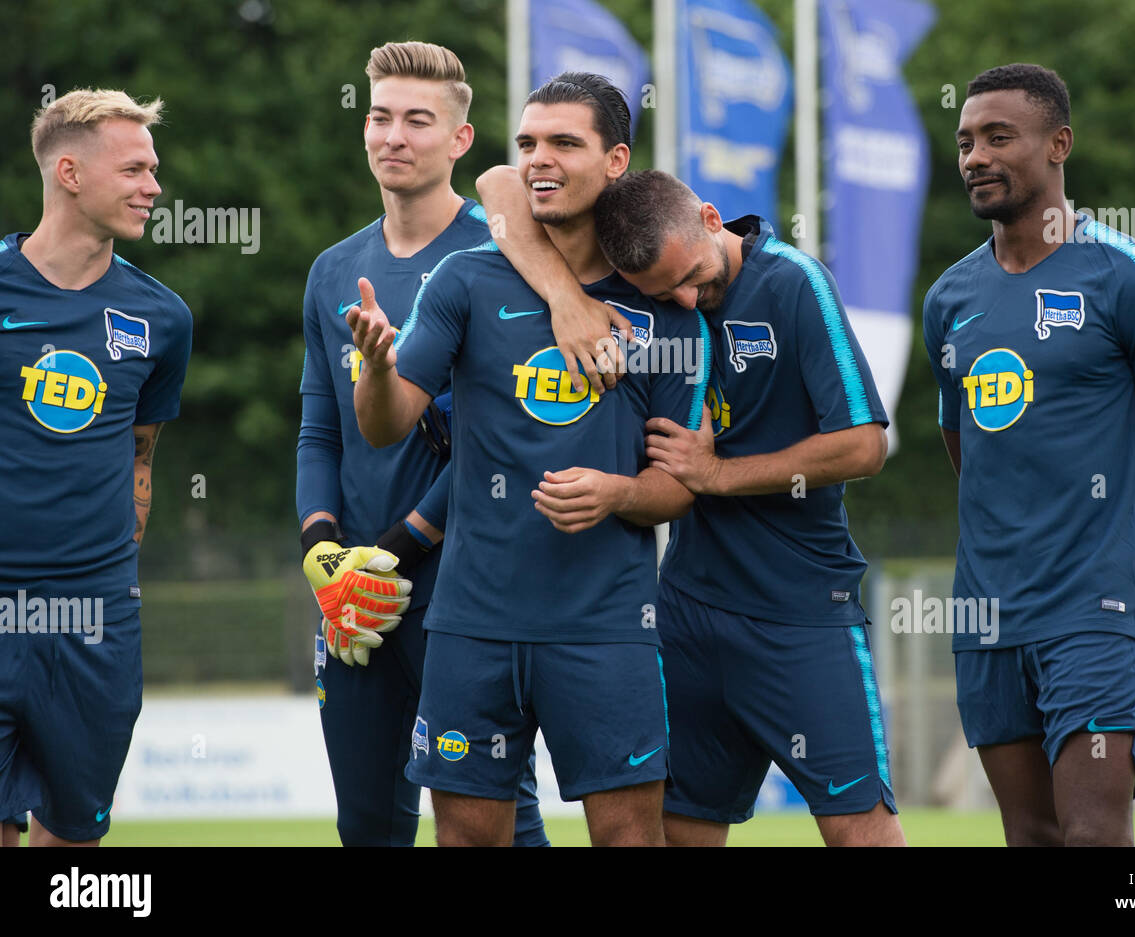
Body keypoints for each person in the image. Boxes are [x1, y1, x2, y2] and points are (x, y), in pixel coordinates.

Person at [349, 73, 708, 847]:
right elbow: (386, 426)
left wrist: (616, 493)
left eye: (564, 143)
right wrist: (378, 368)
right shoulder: (466, 280)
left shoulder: (658, 305)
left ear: (615, 161)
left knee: (630, 841)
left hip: (608, 625)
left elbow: (679, 486)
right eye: (529, 143)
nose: (540, 159)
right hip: (473, 622)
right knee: (470, 840)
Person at [921, 63, 1135, 846]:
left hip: (1093, 614)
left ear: (1059, 144)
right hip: (985, 613)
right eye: (964, 142)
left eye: (997, 137)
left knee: (1093, 834)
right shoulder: (950, 300)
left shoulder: (1128, 280)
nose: (975, 157)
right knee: (1031, 835)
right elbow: (972, 455)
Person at [592, 169, 906, 847]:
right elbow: (505, 190)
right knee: (680, 833)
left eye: (691, 276)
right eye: (662, 292)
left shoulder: (794, 282)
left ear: (711, 218)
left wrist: (716, 473)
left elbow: (863, 446)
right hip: (687, 612)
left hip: (801, 613)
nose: (684, 298)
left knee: (863, 834)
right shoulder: (643, 309)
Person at [297, 41, 559, 847]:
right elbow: (319, 426)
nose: (393, 136)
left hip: (464, 587)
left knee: (495, 823)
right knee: (368, 825)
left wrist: (398, 546)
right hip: (355, 594)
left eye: (418, 120)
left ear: (460, 139)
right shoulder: (334, 269)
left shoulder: (509, 257)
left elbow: (510, 441)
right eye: (379, 116)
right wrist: (325, 553)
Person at [0, 89, 192, 846]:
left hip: (94, 618)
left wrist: (113, 579)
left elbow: (141, 456)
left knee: (76, 838)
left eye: (154, 169)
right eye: (135, 168)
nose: (153, 186)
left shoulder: (161, 318)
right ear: (70, 173)